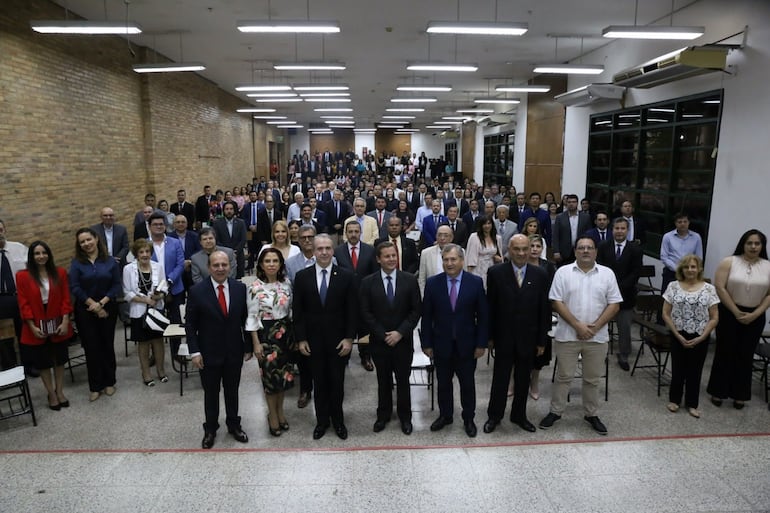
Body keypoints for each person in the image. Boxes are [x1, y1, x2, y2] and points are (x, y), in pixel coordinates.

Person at [539, 236, 622, 435]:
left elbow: (615, 304)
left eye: (589, 248)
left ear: (595, 252)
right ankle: (556, 411)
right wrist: (578, 326)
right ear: (575, 251)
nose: (585, 251)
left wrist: (594, 327)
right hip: (568, 335)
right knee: (563, 376)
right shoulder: (563, 272)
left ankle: (591, 413)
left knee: (592, 379)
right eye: (581, 248)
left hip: (597, 337)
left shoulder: (607, 274)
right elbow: (556, 302)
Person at [484, 235, 550, 434]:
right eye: (517, 249)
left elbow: (544, 310)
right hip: (503, 337)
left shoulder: (540, 274)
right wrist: (489, 337)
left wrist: (541, 340)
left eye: (525, 249)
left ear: (530, 249)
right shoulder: (495, 272)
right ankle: (494, 416)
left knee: (523, 379)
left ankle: (519, 415)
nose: (521, 253)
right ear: (509, 250)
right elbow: (490, 307)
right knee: (500, 379)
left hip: (528, 338)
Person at [293, 234, 357, 440]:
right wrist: (301, 339)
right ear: (313, 249)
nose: (324, 252)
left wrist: (349, 338)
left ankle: (338, 421)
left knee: (337, 384)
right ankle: (322, 422)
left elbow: (351, 311)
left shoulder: (346, 276)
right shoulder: (303, 276)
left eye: (328, 248)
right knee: (319, 383)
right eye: (319, 248)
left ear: (333, 250)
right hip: (313, 343)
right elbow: (298, 311)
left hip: (339, 342)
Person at [421, 244, 489, 438]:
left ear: (462, 261)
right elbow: (427, 316)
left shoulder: (475, 283)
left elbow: (483, 316)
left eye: (453, 259)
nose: (449, 263)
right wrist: (426, 343)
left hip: (467, 346)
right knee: (443, 383)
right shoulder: (433, 283)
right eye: (445, 260)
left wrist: (481, 343)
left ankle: (468, 418)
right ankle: (446, 415)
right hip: (441, 345)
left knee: (467, 384)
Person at [186, 250, 251, 449]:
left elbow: (245, 320)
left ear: (229, 267)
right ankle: (211, 428)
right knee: (211, 393)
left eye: (224, 265)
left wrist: (248, 346)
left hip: (234, 351)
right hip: (208, 353)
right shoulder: (197, 291)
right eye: (216, 265)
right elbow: (190, 325)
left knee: (232, 391)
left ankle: (234, 425)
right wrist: (195, 351)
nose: (220, 268)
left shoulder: (240, 288)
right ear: (209, 268)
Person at [359, 242, 422, 435]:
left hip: (403, 341)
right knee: (383, 380)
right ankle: (383, 415)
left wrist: (399, 332)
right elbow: (366, 312)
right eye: (386, 256)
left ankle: (405, 417)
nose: (391, 259)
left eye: (394, 255)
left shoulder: (410, 280)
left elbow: (416, 310)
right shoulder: (368, 282)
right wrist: (383, 334)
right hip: (380, 343)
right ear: (378, 259)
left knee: (403, 380)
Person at [707, 229, 770, 409]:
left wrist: (756, 314)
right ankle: (718, 391)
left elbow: (769, 295)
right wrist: (736, 311)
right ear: (743, 244)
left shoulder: (768, 266)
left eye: (757, 243)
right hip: (728, 313)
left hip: (755, 315)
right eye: (749, 243)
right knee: (724, 352)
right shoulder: (729, 262)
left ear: (762, 246)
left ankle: (740, 395)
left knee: (745, 355)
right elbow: (720, 287)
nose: (753, 246)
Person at [15, 241, 73, 410]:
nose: (41, 256)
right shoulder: (23, 276)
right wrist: (31, 326)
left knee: (60, 359)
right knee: (43, 361)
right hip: (36, 320)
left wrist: (65, 321)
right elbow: (23, 303)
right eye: (37, 253)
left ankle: (60, 390)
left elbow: (65, 299)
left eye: (44, 253)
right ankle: (51, 393)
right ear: (31, 257)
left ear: (49, 254)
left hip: (57, 318)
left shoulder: (60, 273)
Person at [662, 255, 719, 418]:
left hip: (700, 336)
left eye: (693, 267)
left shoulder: (709, 289)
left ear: (699, 269)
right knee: (678, 368)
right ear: (682, 269)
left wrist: (702, 337)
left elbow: (715, 317)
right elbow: (666, 313)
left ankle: (692, 404)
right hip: (678, 334)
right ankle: (674, 400)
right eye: (687, 267)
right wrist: (676, 334)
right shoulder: (673, 286)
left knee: (695, 371)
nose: (690, 270)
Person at [69, 227, 122, 402]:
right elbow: (75, 287)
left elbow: (116, 285)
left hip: (107, 307)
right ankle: (95, 385)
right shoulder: (77, 263)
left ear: (96, 239)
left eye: (88, 240)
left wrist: (102, 304)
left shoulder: (110, 261)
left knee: (107, 344)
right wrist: (92, 304)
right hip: (85, 309)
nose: (86, 244)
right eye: (82, 242)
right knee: (91, 348)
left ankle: (109, 382)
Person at [246, 248, 294, 437]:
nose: (272, 264)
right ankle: (272, 415)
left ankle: (281, 411)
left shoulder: (287, 284)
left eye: (275, 261)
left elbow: (291, 311)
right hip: (265, 336)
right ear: (261, 265)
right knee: (269, 380)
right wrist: (256, 343)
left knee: (283, 378)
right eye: (268, 261)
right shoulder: (254, 287)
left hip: (285, 335)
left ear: (281, 264)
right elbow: (251, 317)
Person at [596, 217, 643, 371]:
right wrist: (609, 288)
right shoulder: (603, 246)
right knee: (600, 325)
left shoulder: (635, 249)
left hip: (626, 295)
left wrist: (619, 288)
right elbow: (600, 268)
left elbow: (636, 272)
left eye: (623, 229)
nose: (620, 231)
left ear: (627, 231)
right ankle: (598, 354)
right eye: (617, 228)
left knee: (624, 328)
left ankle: (623, 355)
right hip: (604, 294)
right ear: (612, 229)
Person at [122, 239, 167, 386]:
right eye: (141, 252)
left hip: (156, 311)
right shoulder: (128, 269)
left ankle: (161, 371)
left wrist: (158, 296)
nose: (145, 254)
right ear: (136, 254)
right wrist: (146, 301)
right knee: (143, 343)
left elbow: (164, 286)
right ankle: (146, 374)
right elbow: (127, 293)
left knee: (158, 342)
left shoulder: (158, 266)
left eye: (147, 251)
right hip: (139, 312)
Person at [335, 221, 376, 372]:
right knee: (345, 327)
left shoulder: (370, 250)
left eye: (356, 231)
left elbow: (374, 274)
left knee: (365, 329)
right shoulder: (337, 251)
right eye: (350, 231)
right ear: (346, 233)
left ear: (360, 233)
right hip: (344, 299)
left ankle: (365, 356)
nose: (353, 234)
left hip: (365, 298)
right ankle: (344, 356)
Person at [526, 235, 556, 400]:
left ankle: (534, 382)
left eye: (538, 246)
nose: (535, 249)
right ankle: (513, 381)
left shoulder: (548, 266)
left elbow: (553, 289)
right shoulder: (519, 264)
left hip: (541, 313)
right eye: (532, 246)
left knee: (539, 352)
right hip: (521, 313)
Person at [0, 219, 28, 370]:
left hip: (20, 297)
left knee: (25, 331)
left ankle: (30, 365)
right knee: (4, 337)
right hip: (1, 300)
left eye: (0, 230)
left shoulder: (19, 248)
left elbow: (32, 270)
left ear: (5, 230)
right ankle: (10, 368)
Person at [660, 213, 704, 299]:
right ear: (675, 223)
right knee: (667, 298)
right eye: (679, 222)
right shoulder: (667, 237)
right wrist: (678, 269)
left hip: (689, 274)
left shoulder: (696, 237)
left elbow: (699, 257)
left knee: (686, 298)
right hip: (671, 273)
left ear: (689, 223)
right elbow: (664, 257)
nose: (682, 224)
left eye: (685, 221)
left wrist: (689, 269)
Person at [551, 194, 592, 266]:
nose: (571, 204)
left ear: (577, 203)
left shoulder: (585, 217)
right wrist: (556, 251)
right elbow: (556, 235)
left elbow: (589, 234)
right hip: (563, 252)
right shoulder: (560, 217)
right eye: (569, 202)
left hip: (580, 250)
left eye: (573, 202)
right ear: (566, 203)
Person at [465, 216, 503, 289]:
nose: (487, 226)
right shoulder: (474, 237)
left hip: (492, 268)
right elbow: (471, 258)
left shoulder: (498, 238)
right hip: (478, 268)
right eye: (484, 224)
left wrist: (499, 259)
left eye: (489, 223)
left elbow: (500, 254)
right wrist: (469, 275)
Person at [213, 201, 247, 279]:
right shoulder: (217, 223)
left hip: (238, 255)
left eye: (231, 209)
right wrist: (227, 252)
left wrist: (235, 252)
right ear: (223, 210)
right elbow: (216, 239)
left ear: (234, 210)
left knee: (239, 278)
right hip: (222, 255)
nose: (229, 211)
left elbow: (243, 239)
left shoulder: (241, 222)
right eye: (227, 209)